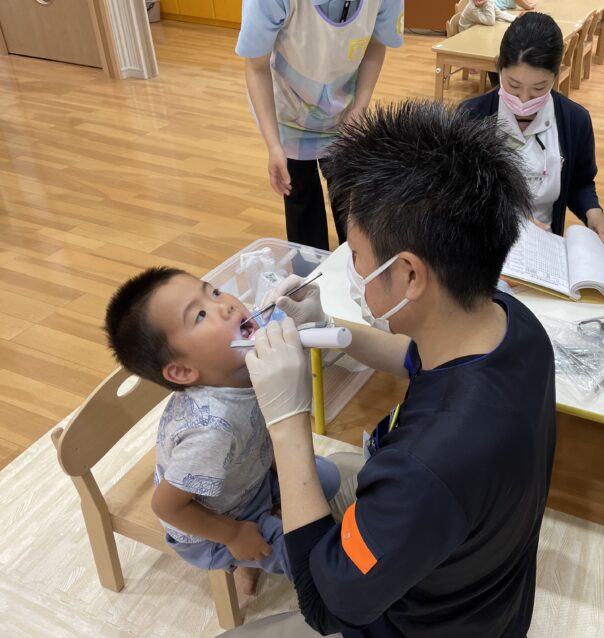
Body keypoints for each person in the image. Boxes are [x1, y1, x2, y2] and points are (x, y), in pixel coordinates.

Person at [244, 100, 556, 635]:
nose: (352, 267)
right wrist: (328, 324)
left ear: (409, 274)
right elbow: (416, 360)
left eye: (356, 253)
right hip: (490, 596)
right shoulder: (513, 324)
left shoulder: (424, 470)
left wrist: (287, 424)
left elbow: (323, 606)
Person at [104, 267, 340, 595]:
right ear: (183, 370)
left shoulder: (239, 365)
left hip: (247, 478)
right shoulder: (211, 431)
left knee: (327, 479)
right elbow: (167, 506)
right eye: (200, 315)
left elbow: (263, 429)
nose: (226, 305)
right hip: (213, 524)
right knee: (306, 559)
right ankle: (241, 556)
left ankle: (252, 551)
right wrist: (233, 535)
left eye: (213, 292)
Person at [237, 0, 404, 251]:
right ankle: (311, 278)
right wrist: (273, 145)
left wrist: (359, 108)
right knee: (300, 196)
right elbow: (256, 66)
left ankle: (355, 272)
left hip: (343, 107)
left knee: (349, 198)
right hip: (287, 110)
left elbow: (376, 43)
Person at [461, 12, 604, 247]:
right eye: (513, 86)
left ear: (555, 76)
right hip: (482, 247)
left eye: (539, 88)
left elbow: (580, 183)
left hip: (544, 250)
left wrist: (594, 214)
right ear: (499, 68)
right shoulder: (471, 117)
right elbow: (455, 195)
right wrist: (508, 219)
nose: (525, 99)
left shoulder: (574, 121)